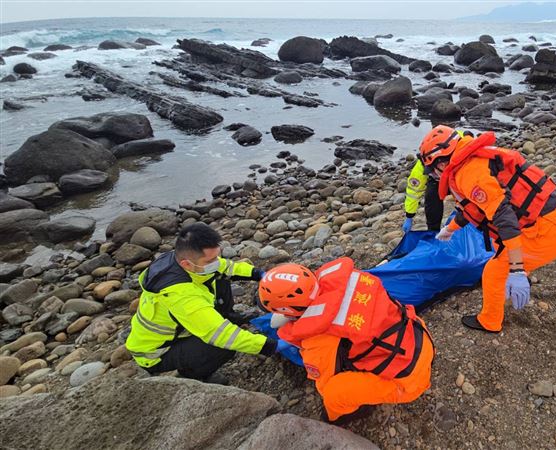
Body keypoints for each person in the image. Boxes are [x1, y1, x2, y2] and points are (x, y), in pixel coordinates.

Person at [418, 125, 556, 333]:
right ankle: (512, 281)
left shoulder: (469, 174)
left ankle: (490, 321)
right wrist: (451, 228)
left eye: (433, 171)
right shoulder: (474, 159)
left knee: (493, 271)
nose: (434, 176)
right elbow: (476, 208)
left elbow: (505, 219)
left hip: (551, 230)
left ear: (441, 162)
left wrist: (517, 269)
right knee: (498, 248)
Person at [258, 258, 434, 424]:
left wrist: (331, 413)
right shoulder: (349, 279)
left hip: (408, 380)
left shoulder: (319, 338)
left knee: (333, 393)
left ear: (285, 310)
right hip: (420, 338)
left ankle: (347, 414)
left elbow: (324, 379)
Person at [126, 223, 284, 385]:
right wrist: (272, 346)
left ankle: (228, 316)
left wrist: (258, 274)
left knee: (220, 278)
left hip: (182, 328)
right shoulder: (182, 296)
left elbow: (225, 267)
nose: (217, 261)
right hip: (157, 353)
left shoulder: (185, 259)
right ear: (186, 264)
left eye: (217, 256)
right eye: (211, 260)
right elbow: (223, 336)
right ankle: (193, 376)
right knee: (223, 347)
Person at [403, 130, 474, 233]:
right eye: (431, 170)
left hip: (460, 175)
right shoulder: (424, 164)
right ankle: (433, 230)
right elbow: (413, 191)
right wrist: (409, 215)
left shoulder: (467, 155)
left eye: (434, 169)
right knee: (432, 195)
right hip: (440, 181)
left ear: (442, 163)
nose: (433, 172)